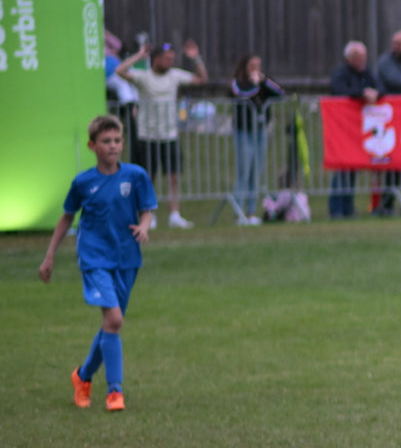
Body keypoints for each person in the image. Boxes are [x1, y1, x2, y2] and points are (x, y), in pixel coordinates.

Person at [38, 115, 157, 410]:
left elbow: (147, 210)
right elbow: (67, 217)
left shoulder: (136, 175)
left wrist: (144, 227)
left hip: (127, 258)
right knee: (115, 320)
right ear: (93, 146)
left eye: (117, 140)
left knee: (110, 325)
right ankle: (115, 391)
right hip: (94, 258)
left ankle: (82, 376)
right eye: (106, 141)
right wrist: (50, 254)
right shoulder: (83, 182)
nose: (113, 146)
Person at [117, 39, 206, 229]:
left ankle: (175, 214)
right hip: (147, 135)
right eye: (166, 58)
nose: (170, 62)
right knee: (149, 178)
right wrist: (139, 56)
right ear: (156, 59)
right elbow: (120, 71)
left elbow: (202, 79)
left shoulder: (175, 75)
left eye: (172, 58)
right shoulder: (144, 77)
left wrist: (196, 58)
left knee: (173, 177)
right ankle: (150, 215)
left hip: (169, 135)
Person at [226, 54, 288, 223]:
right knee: (244, 173)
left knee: (256, 173)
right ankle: (238, 213)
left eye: (258, 65)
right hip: (243, 132)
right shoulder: (237, 83)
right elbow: (242, 94)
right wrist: (256, 84)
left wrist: (264, 81)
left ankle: (251, 213)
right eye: (252, 65)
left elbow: (280, 92)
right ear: (245, 66)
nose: (255, 69)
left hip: (259, 132)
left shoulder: (262, 82)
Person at [324, 41, 377, 219]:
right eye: (359, 57)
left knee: (352, 166)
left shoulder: (367, 72)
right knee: (342, 167)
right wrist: (362, 93)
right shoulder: (341, 73)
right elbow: (339, 90)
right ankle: (336, 209)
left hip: (358, 129)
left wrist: (375, 93)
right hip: (341, 128)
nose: (363, 61)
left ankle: (348, 207)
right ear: (350, 58)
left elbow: (380, 86)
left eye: (364, 57)